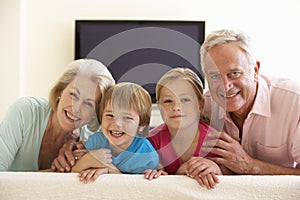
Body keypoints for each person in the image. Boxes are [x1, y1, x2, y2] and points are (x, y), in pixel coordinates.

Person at [200, 29, 300, 175]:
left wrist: (250, 166)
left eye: (234, 73)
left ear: (255, 70)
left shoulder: (294, 102)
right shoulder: (204, 107)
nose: (225, 86)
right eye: (215, 76)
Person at [0, 59, 115, 171]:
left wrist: (103, 169)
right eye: (73, 95)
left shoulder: (91, 140)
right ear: (61, 90)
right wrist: (70, 170)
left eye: (88, 104)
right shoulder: (25, 112)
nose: (76, 109)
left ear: (95, 113)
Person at [145, 68, 230, 190]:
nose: (176, 107)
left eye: (185, 100)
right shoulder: (151, 141)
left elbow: (233, 183)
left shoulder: (216, 141)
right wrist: (154, 175)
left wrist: (216, 169)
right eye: (168, 101)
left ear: (200, 105)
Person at [71, 82, 159, 183]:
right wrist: (87, 160)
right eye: (110, 115)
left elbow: (135, 191)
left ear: (141, 125)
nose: (117, 123)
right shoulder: (95, 142)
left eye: (127, 118)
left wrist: (110, 169)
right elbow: (71, 178)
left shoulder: (146, 155)